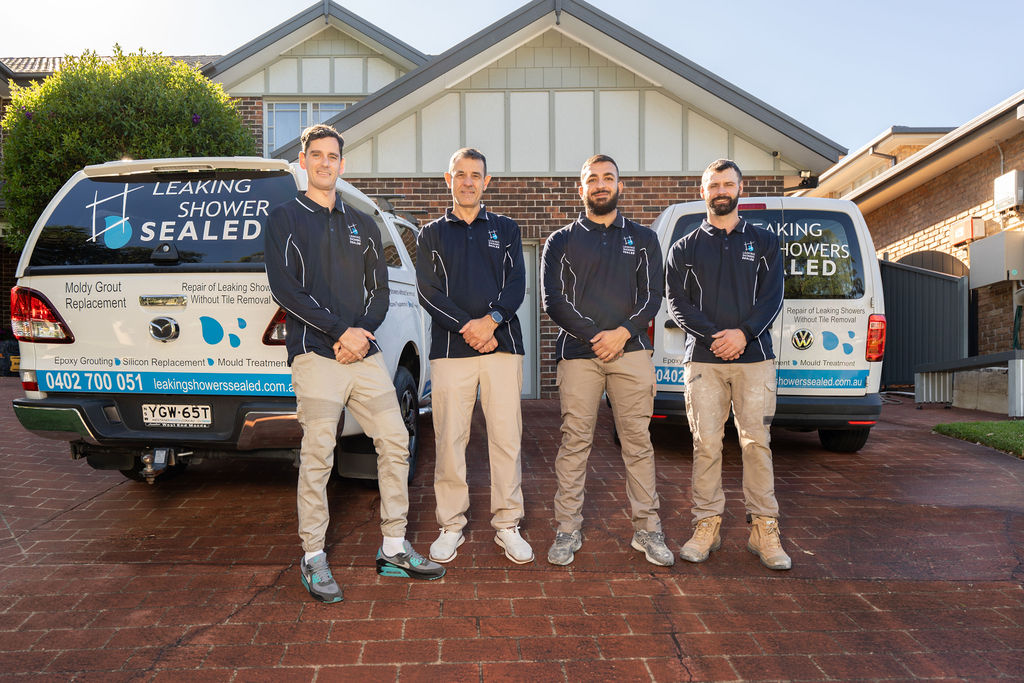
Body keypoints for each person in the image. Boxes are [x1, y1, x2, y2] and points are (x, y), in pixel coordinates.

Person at [265, 123, 444, 603]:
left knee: (394, 440)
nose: (325, 163)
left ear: (342, 165)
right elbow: (286, 290)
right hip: (315, 355)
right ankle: (313, 557)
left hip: (363, 355)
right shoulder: (285, 218)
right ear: (304, 162)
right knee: (318, 456)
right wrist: (337, 332)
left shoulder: (363, 223)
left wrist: (359, 334)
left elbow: (379, 291)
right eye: (316, 155)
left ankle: (393, 547)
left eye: (333, 156)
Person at [541, 154, 673, 567]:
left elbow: (653, 296)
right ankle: (567, 528)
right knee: (574, 443)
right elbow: (553, 300)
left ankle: (647, 530)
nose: (600, 185)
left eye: (608, 178)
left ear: (620, 186)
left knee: (638, 444)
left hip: (631, 354)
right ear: (580, 189)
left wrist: (621, 333)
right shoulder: (560, 240)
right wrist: (594, 336)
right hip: (579, 355)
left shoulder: (643, 238)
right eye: (592, 179)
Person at [664, 158, 791, 570]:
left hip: (755, 359)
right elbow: (678, 304)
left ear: (740, 189)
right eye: (713, 184)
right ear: (703, 191)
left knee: (757, 444)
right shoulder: (684, 247)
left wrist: (744, 334)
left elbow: (772, 297)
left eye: (728, 183)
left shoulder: (765, 241)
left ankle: (764, 530)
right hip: (703, 361)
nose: (721, 190)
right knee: (705, 444)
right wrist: (715, 338)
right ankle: (707, 525)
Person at [416, 148, 534, 565]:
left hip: (504, 348)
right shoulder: (430, 233)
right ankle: (451, 525)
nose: (468, 181)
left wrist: (493, 321)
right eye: (460, 174)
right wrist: (471, 327)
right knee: (450, 440)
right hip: (451, 352)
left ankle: (507, 524)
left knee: (506, 439)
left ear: (487, 181)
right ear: (448, 179)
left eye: (476, 175)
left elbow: (517, 284)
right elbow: (428, 293)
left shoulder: (506, 228)